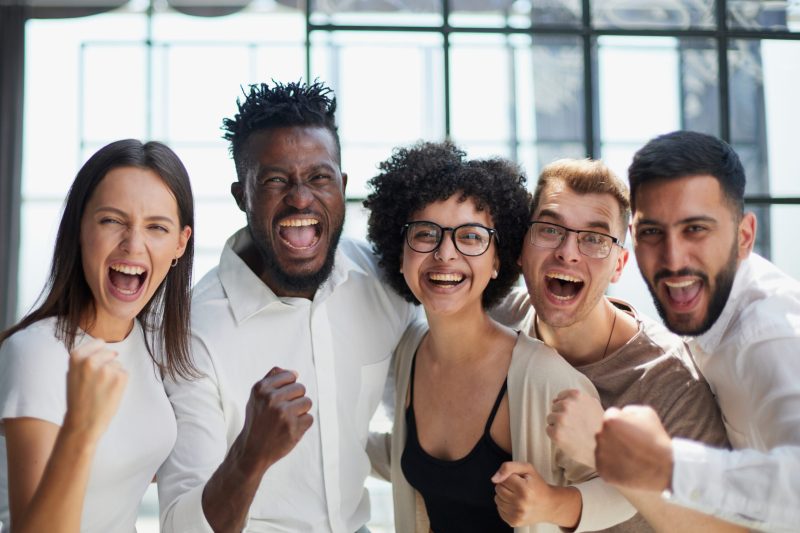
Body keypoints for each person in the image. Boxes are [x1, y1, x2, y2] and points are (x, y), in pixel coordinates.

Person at [157, 80, 418, 533]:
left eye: (319, 177)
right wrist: (251, 452)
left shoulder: (382, 282)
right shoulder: (195, 329)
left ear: (342, 186)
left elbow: (431, 397)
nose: (300, 197)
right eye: (276, 180)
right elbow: (181, 525)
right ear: (242, 196)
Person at [364, 142, 634, 533]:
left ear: (498, 259)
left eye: (470, 237)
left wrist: (552, 504)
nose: (445, 254)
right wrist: (325, 431)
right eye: (426, 233)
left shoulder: (544, 378)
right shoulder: (411, 349)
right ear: (399, 251)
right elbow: (407, 459)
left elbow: (626, 491)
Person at [494, 157, 740, 531]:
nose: (568, 252)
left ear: (619, 264)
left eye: (594, 239)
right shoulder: (499, 322)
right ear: (521, 247)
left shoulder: (670, 380)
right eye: (549, 230)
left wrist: (606, 452)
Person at [591, 130, 800, 532]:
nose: (672, 259)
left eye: (696, 229)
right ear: (633, 239)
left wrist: (667, 465)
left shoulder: (770, 335)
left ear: (743, 237)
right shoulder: (705, 310)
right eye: (653, 232)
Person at [0, 139, 195, 533]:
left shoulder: (154, 346)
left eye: (157, 227)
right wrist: (82, 429)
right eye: (111, 221)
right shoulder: (35, 354)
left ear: (180, 243)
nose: (133, 244)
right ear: (78, 229)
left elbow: (125, 468)